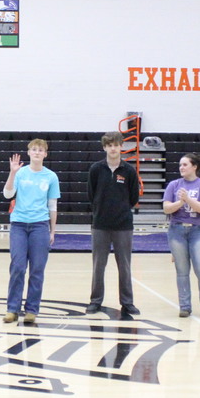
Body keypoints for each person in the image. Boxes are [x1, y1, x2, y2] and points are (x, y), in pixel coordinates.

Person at [3, 138, 60, 324]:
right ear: (28, 153)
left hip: (40, 226)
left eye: (40, 150)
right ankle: (12, 309)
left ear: (45, 154)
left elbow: (52, 205)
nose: (36, 152)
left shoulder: (51, 177)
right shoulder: (20, 173)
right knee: (18, 267)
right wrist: (12, 173)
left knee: (37, 269)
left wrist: (52, 231)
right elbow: (8, 194)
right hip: (19, 224)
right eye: (33, 149)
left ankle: (32, 310)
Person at [86, 131, 140, 317]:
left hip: (123, 226)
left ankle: (127, 303)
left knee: (124, 266)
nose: (113, 148)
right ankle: (95, 301)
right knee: (98, 265)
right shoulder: (96, 169)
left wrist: (121, 210)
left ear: (121, 146)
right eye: (109, 145)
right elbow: (91, 195)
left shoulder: (129, 171)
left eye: (116, 145)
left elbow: (133, 197)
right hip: (100, 224)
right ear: (104, 148)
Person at [162, 153, 200, 318]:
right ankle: (185, 306)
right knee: (182, 271)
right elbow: (166, 208)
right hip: (177, 231)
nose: (181, 168)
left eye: (185, 164)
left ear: (194, 167)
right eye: (180, 165)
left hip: (198, 231)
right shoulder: (173, 185)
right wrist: (180, 202)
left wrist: (188, 200)